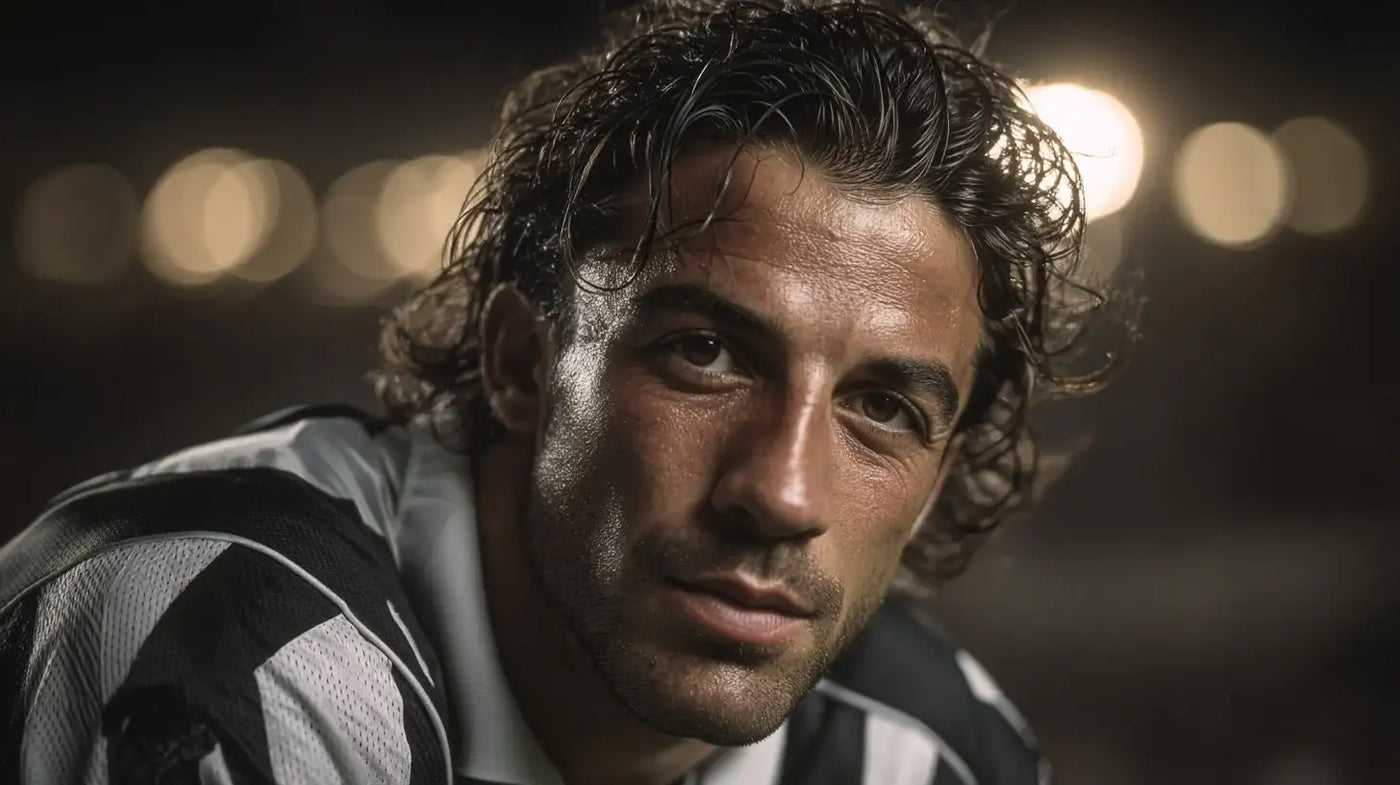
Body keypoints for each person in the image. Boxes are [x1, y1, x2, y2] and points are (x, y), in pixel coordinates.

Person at [0, 1, 1116, 783]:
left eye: (882, 408)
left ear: (939, 475)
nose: (778, 492)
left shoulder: (921, 752)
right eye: (705, 352)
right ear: (523, 363)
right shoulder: (220, 641)